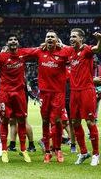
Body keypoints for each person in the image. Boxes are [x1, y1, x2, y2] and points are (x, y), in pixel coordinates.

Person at [0, 34, 35, 163]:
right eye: (10, 40)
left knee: (21, 120)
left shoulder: (23, 53)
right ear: (7, 43)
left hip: (20, 93)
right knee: (4, 120)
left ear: (18, 43)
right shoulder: (1, 56)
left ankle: (24, 150)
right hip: (5, 93)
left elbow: (37, 50)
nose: (13, 41)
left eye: (15, 39)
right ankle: (4, 150)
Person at [28, 30, 73, 163]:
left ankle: (58, 149)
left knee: (58, 121)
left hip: (58, 93)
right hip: (44, 93)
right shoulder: (39, 51)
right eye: (47, 37)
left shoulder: (64, 52)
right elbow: (23, 53)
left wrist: (62, 45)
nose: (49, 38)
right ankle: (47, 151)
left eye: (52, 37)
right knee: (45, 121)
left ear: (57, 40)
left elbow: (75, 50)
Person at [68, 28, 101, 166]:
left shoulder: (87, 50)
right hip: (74, 92)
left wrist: (100, 39)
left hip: (86, 91)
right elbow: (60, 46)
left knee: (90, 122)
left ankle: (96, 154)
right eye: (71, 36)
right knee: (75, 123)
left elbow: (98, 48)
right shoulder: (70, 52)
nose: (71, 39)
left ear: (81, 39)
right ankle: (83, 152)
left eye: (74, 36)